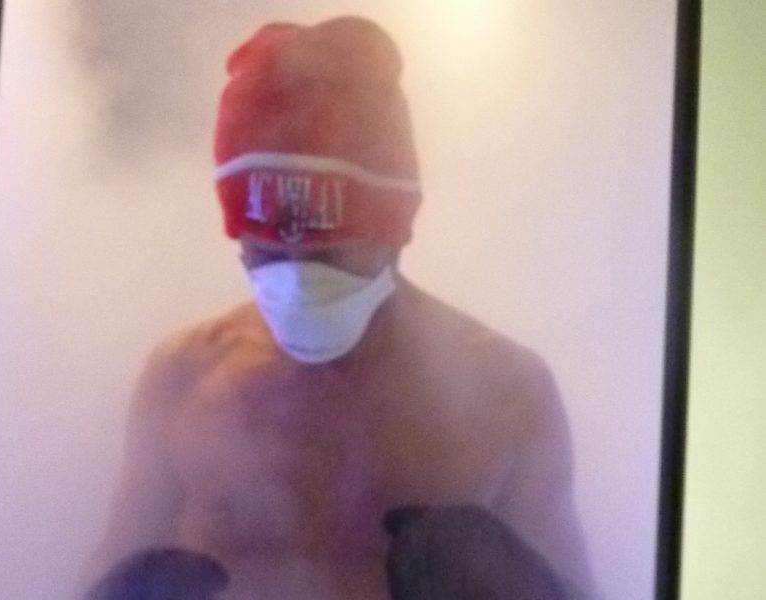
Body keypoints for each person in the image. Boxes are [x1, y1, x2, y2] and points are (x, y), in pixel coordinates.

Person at [83, 16, 596, 600]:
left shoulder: (506, 394)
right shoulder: (184, 378)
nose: (298, 278)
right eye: (267, 251)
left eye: (329, 254)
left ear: (396, 229)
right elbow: (105, 573)